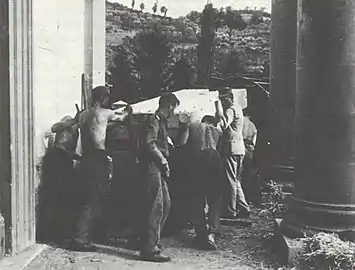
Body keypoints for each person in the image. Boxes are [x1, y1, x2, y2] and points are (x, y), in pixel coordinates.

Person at [70, 85, 132, 251]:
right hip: (98, 157)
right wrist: (128, 110)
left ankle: (85, 235)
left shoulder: (83, 115)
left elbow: (90, 128)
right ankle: (80, 239)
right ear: (103, 98)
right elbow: (123, 118)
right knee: (96, 198)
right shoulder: (105, 113)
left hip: (86, 158)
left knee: (87, 198)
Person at [138, 93, 180, 262]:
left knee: (166, 204)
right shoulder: (153, 120)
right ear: (169, 105)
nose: (173, 112)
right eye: (174, 108)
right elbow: (149, 143)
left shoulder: (160, 121)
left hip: (158, 167)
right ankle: (149, 249)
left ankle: (151, 241)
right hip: (152, 165)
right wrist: (163, 161)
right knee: (156, 206)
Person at [179, 114, 223, 250]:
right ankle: (212, 234)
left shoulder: (192, 126)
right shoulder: (217, 131)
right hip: (215, 161)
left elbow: (181, 143)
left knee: (197, 198)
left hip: (198, 162)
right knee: (215, 200)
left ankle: (200, 234)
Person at [38, 114, 81, 243]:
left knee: (64, 199)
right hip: (58, 161)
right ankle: (49, 234)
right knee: (56, 198)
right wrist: (73, 120)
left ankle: (58, 233)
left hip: (65, 162)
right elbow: (55, 128)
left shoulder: (77, 130)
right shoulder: (67, 123)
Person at [215, 87, 251, 219]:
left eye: (223, 99)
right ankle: (244, 207)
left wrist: (218, 110)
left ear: (229, 98)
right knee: (235, 180)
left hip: (231, 149)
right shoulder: (239, 108)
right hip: (239, 149)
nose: (223, 102)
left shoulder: (231, 110)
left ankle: (231, 210)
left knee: (230, 180)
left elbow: (223, 124)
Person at [242, 108, 259, 205]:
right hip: (249, 149)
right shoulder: (253, 126)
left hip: (239, 146)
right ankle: (247, 198)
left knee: (237, 175)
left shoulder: (240, 121)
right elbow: (254, 142)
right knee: (247, 174)